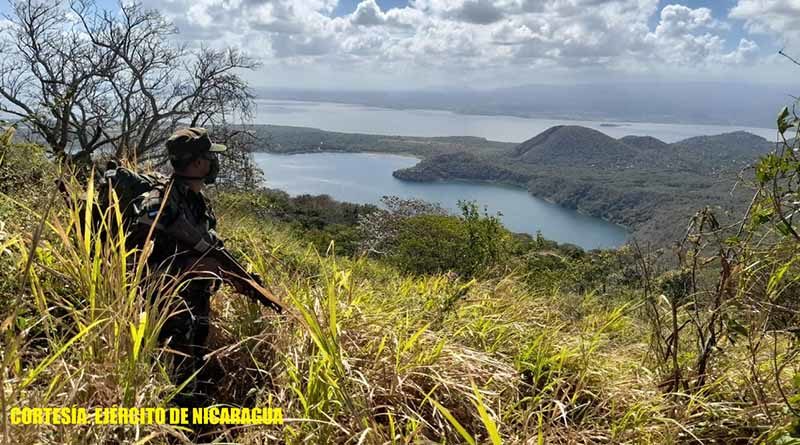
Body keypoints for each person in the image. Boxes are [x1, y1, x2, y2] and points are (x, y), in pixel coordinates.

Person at [131, 127, 232, 407]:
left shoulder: (195, 200)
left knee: (194, 362)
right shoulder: (158, 202)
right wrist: (192, 265)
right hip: (170, 305)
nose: (215, 163)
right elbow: (139, 257)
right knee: (174, 373)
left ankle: (193, 415)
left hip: (195, 302)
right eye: (210, 157)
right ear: (198, 163)